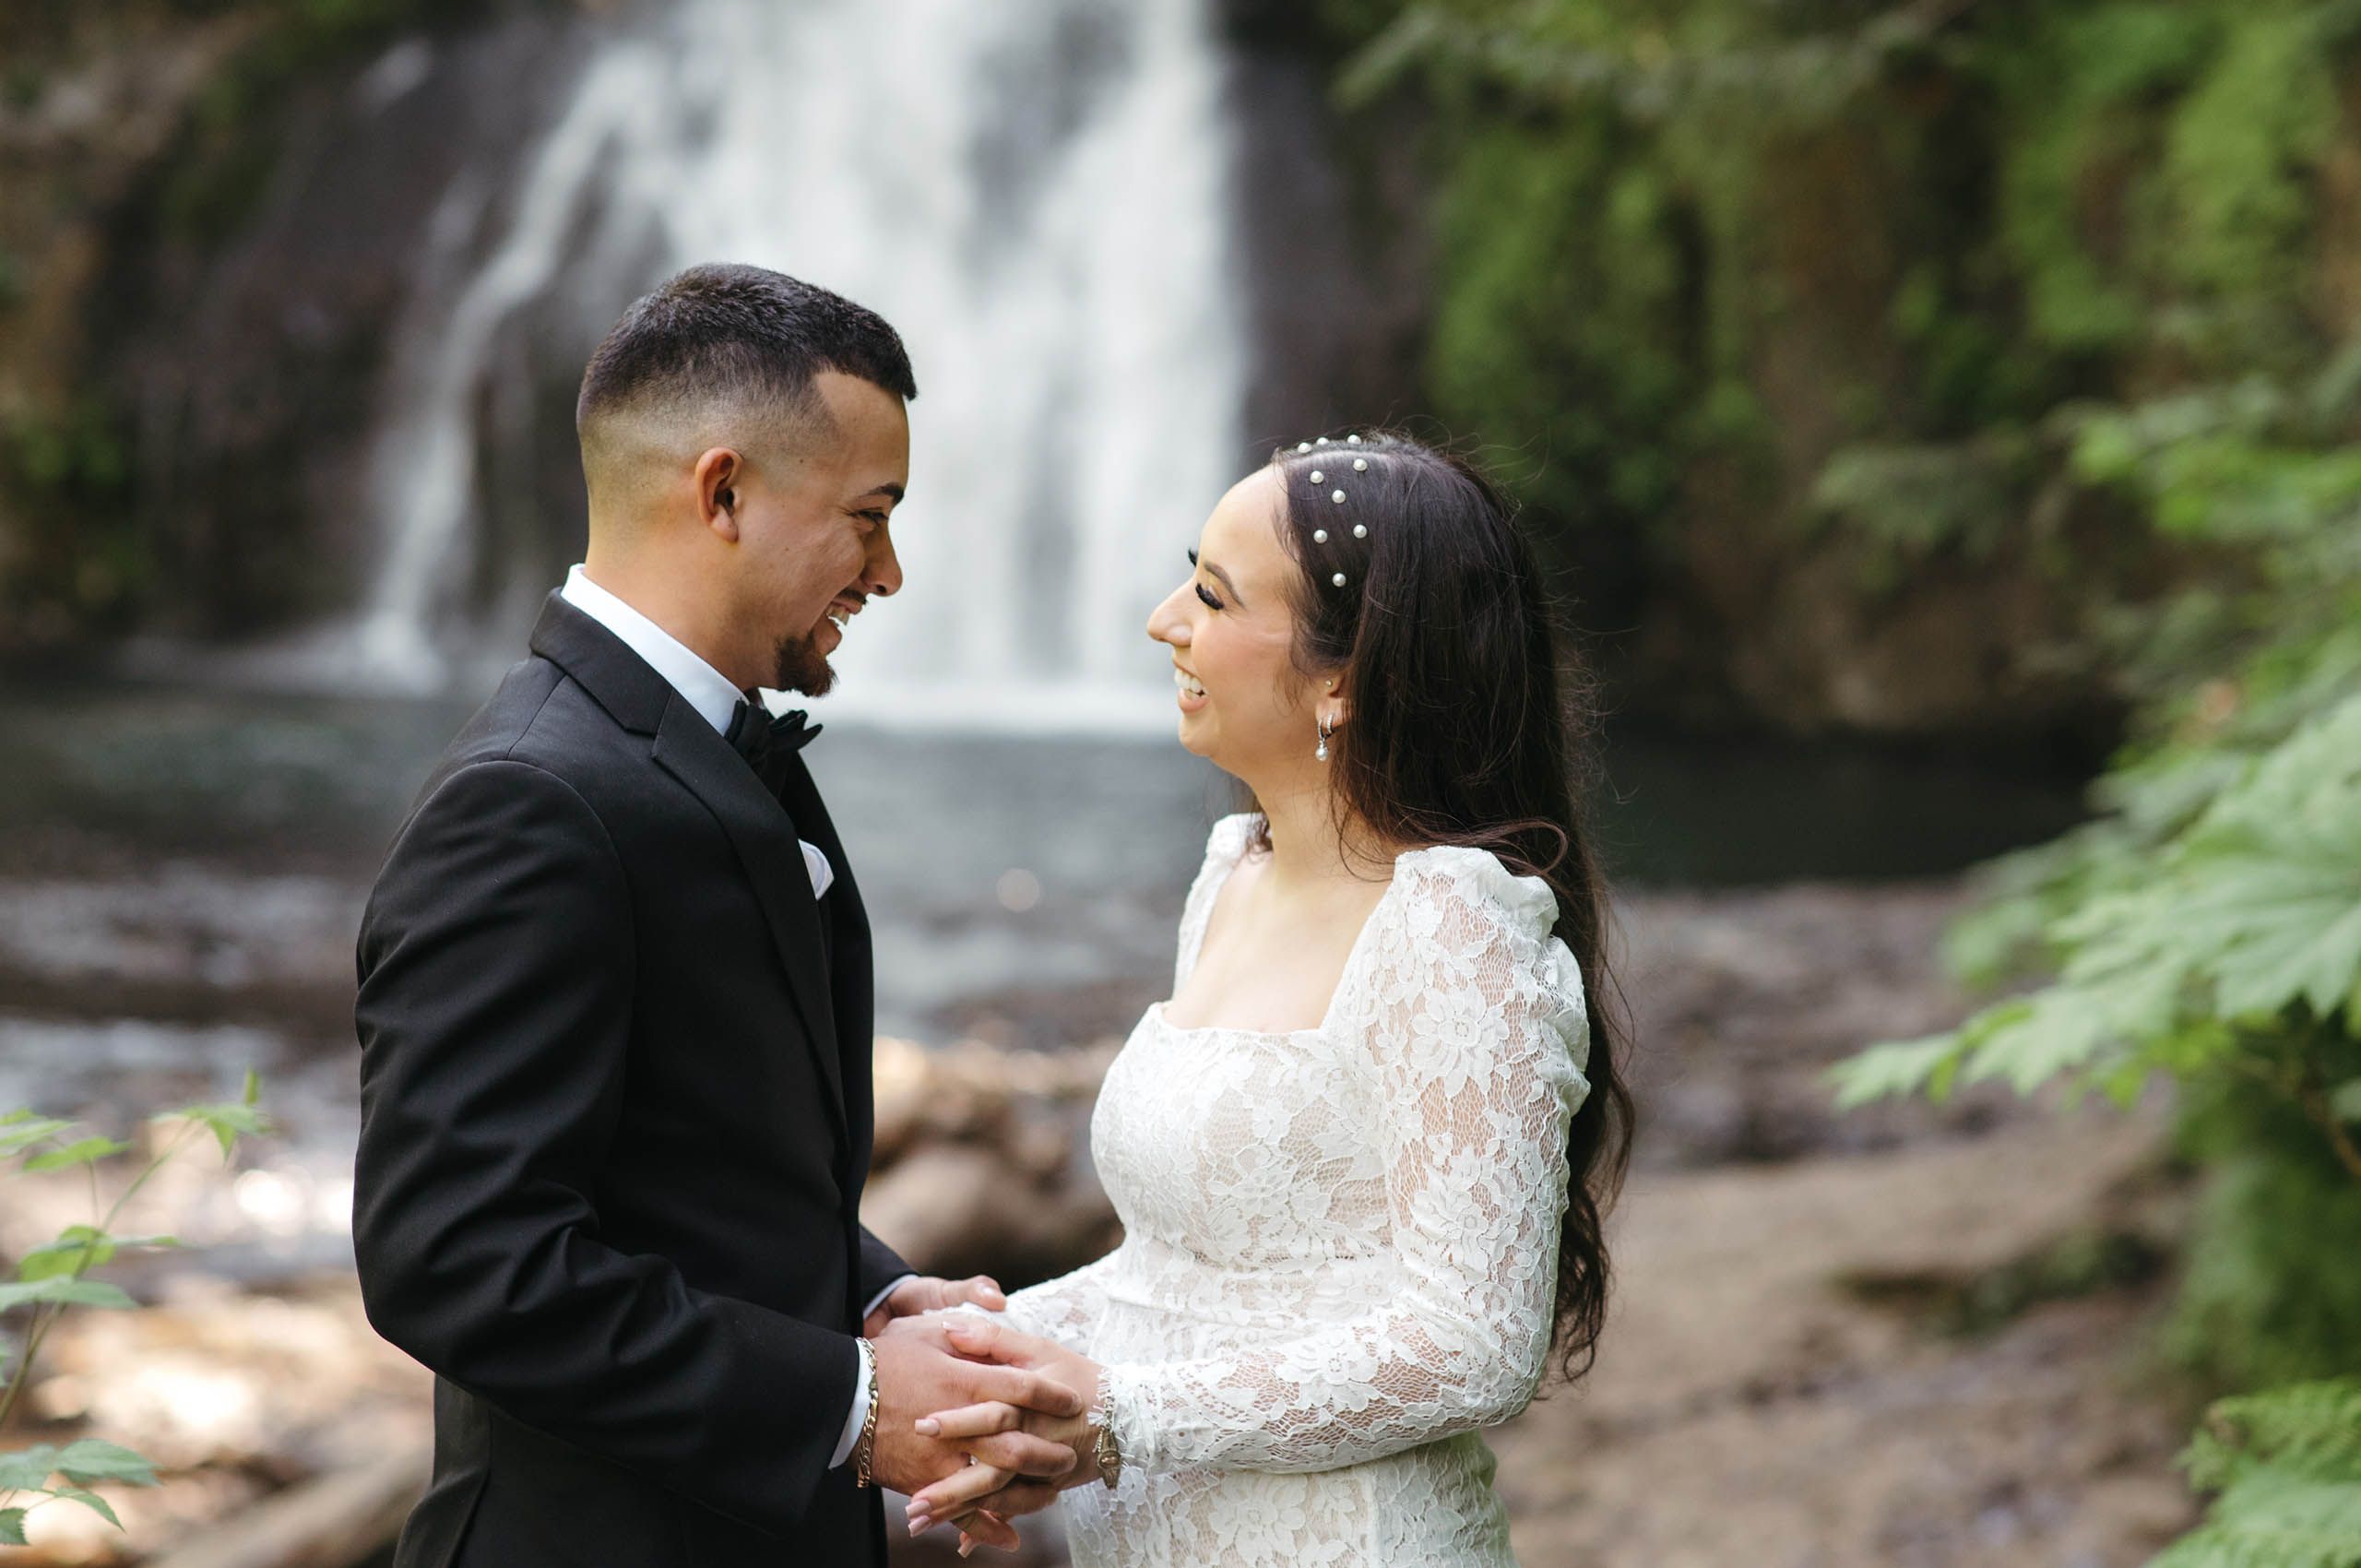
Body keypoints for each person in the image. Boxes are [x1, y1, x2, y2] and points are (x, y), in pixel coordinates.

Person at [350, 263, 1090, 1568]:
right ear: (724, 492)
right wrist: (856, 1408)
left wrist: (873, 1293)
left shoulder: (682, 750)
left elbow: (694, 1162)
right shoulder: (530, 799)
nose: (893, 572)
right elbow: (459, 1261)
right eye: (870, 517)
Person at [897, 432, 1634, 1565]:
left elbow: (1473, 1341)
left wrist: (1120, 1416)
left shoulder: (1454, 929)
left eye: (1212, 594)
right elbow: (1186, 1274)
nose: (1163, 620)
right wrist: (986, 1345)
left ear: (1345, 672)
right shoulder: (1233, 873)